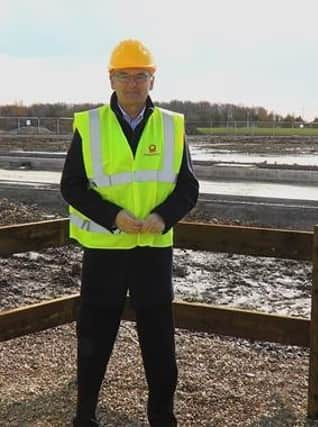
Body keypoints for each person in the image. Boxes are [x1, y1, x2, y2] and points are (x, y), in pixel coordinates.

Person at [60, 39, 199, 426]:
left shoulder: (173, 126)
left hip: (152, 253)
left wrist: (163, 217)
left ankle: (162, 418)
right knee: (93, 340)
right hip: (104, 250)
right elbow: (71, 186)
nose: (133, 83)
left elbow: (189, 188)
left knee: (159, 346)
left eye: (142, 76)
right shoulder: (89, 125)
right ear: (111, 78)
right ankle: (84, 416)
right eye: (125, 75)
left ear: (153, 80)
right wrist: (113, 216)